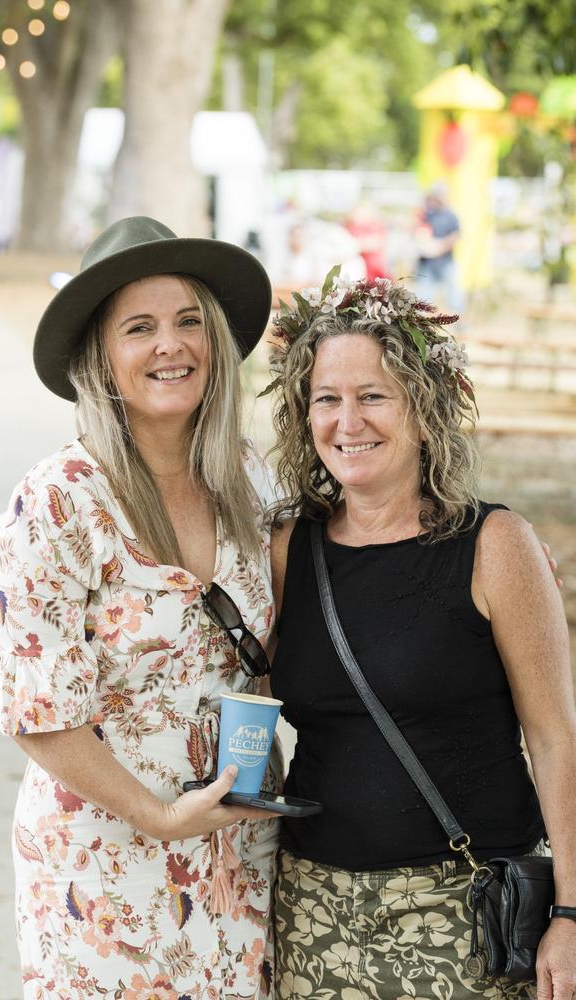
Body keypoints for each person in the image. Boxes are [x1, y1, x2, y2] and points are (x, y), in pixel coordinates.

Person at [0, 216, 283, 998]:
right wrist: (158, 816)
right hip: (104, 866)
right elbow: (38, 711)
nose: (169, 345)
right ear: (101, 359)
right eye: (140, 327)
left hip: (238, 856)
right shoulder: (58, 502)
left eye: (189, 321)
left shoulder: (252, 484)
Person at [265, 270, 576, 999]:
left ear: (427, 411)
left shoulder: (496, 545)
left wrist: (569, 909)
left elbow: (557, 737)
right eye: (327, 400)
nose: (349, 422)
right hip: (314, 916)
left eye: (374, 396)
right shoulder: (287, 549)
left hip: (465, 921)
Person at [415, 182, 465, 314]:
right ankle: (421, 319)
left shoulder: (450, 215)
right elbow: (416, 230)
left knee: (454, 292)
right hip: (426, 262)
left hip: (445, 260)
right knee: (423, 295)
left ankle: (458, 318)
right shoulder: (424, 214)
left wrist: (441, 246)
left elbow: (456, 235)